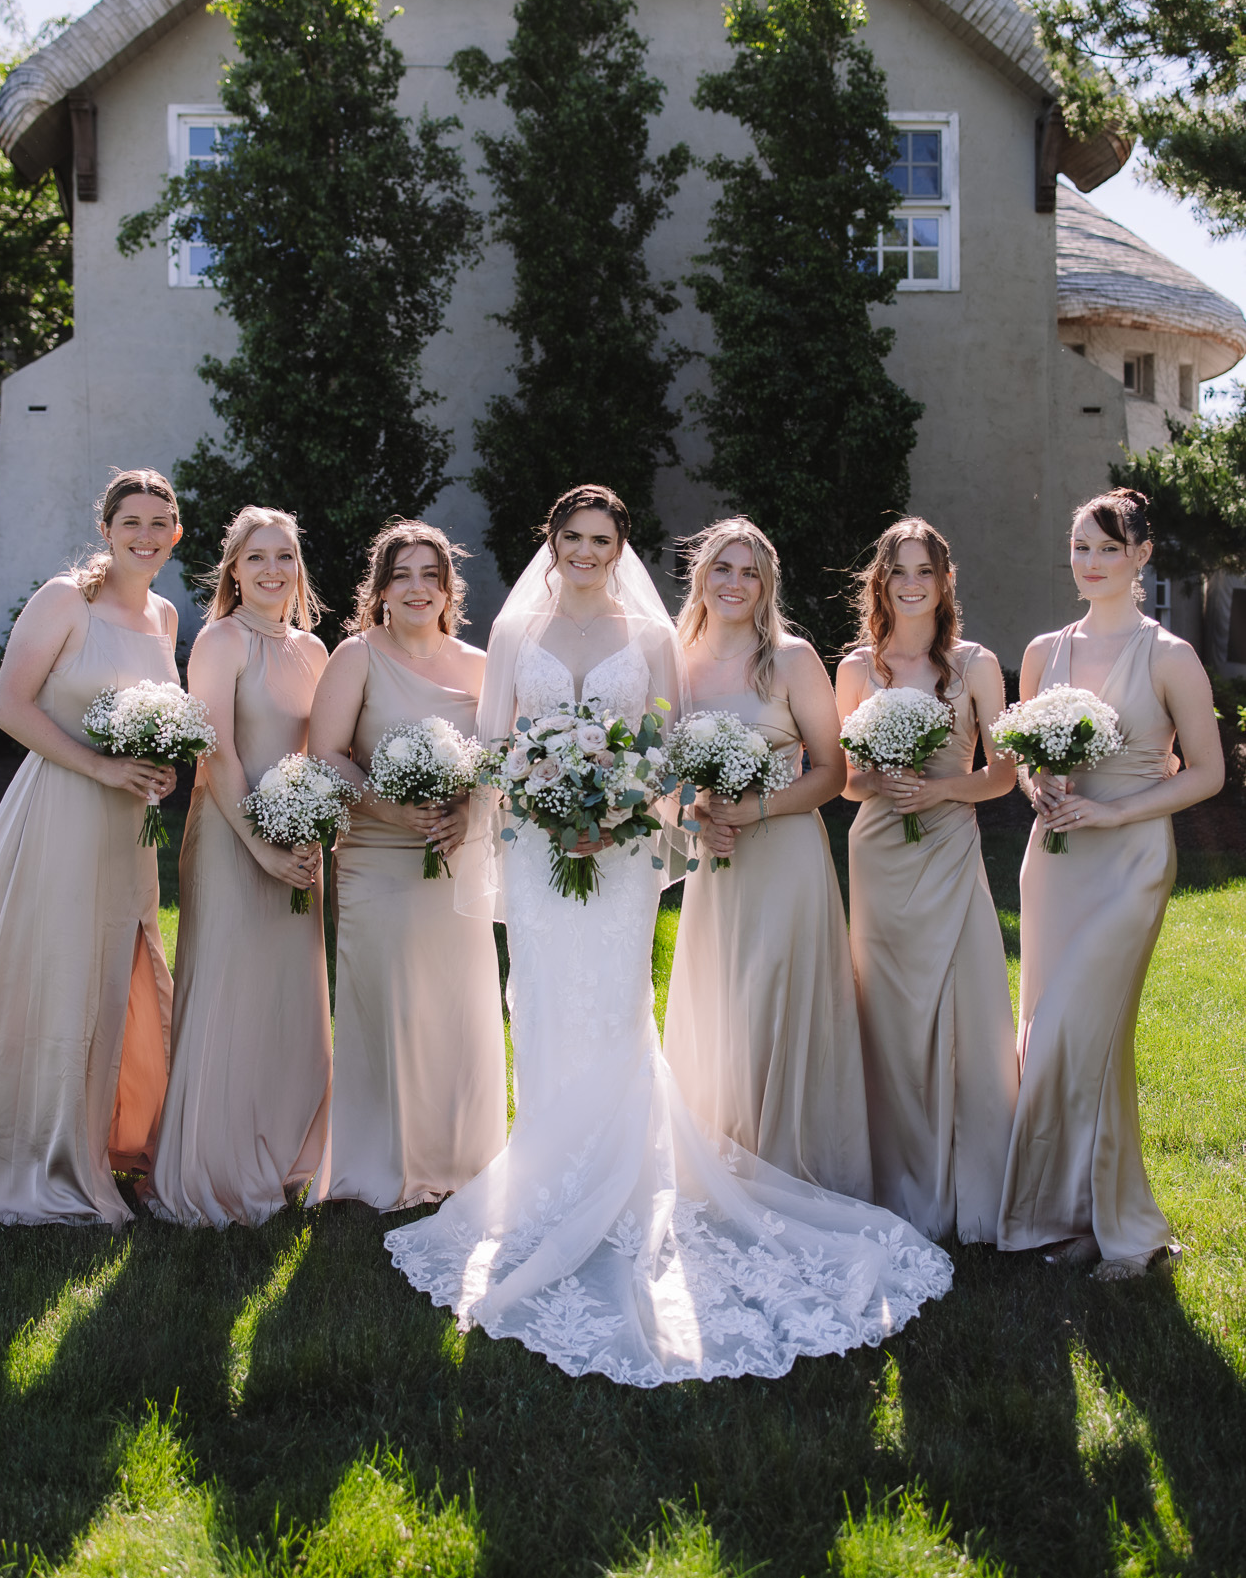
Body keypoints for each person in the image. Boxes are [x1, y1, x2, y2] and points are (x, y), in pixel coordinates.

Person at [384, 484, 953, 1387]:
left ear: (619, 549)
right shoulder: (512, 632)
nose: (584, 551)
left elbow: (660, 753)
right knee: (538, 1006)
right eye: (570, 536)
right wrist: (538, 804)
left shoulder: (651, 641)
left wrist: (615, 813)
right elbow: (494, 748)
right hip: (536, 854)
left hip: (614, 856)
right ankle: (544, 1181)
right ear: (552, 541)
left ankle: (621, 1188)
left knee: (612, 1011)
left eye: (600, 539)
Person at [0, 468, 181, 1226]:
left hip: (129, 830)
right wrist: (105, 767)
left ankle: (110, 1134)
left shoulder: (167, 617)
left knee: (119, 968)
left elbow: (158, 716)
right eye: (131, 522)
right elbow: (9, 708)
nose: (145, 535)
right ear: (106, 530)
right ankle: (36, 1148)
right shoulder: (64, 600)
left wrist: (158, 767)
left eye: (159, 523)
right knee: (55, 968)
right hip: (63, 810)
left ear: (176, 535)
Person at [997, 490, 1223, 1279]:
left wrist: (1113, 810)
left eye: (1106, 548)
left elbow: (1207, 774)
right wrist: (1041, 788)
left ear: (1139, 556)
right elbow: (1025, 756)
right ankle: (1074, 1218)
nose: (1089, 563)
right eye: (1079, 548)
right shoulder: (1040, 651)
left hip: (1129, 864)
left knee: (1079, 1033)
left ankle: (1131, 1229)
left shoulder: (1168, 656)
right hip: (1054, 860)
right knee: (1056, 1041)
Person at [663, 517, 871, 1196]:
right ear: (700, 574)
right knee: (722, 1008)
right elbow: (662, 774)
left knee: (771, 1008)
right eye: (722, 567)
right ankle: (720, 1166)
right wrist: (698, 815)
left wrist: (753, 809)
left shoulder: (789, 658)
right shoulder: (672, 660)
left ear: (767, 584)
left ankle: (784, 1165)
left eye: (749, 571)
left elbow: (832, 772)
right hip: (717, 867)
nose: (734, 583)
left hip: (783, 856)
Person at [304, 521, 507, 1212]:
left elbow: (496, 768)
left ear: (449, 589)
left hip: (453, 860)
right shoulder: (357, 655)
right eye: (403, 575)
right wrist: (388, 811)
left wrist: (467, 812)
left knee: (458, 1007)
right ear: (381, 589)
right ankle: (380, 1165)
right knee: (387, 1004)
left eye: (431, 575)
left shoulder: (482, 667)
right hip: (375, 853)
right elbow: (325, 752)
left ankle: (460, 1159)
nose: (418, 587)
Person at [147, 507, 331, 1229]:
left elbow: (318, 752)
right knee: (229, 991)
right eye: (256, 557)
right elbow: (214, 752)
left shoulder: (314, 649)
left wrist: (311, 835)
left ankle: (288, 1154)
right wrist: (259, 844)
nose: (271, 570)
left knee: (289, 999)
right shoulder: (220, 640)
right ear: (232, 568)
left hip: (300, 844)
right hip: (231, 839)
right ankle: (213, 1168)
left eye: (283, 556)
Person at [836, 519, 1019, 1245]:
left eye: (924, 571)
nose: (910, 584)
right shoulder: (856, 668)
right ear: (879, 583)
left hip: (948, 846)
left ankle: (974, 1188)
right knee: (889, 1014)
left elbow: (1002, 775)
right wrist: (879, 778)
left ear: (945, 581)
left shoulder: (974, 664)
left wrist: (940, 792)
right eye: (897, 571)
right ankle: (896, 1177)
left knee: (963, 1002)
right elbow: (844, 782)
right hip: (879, 853)